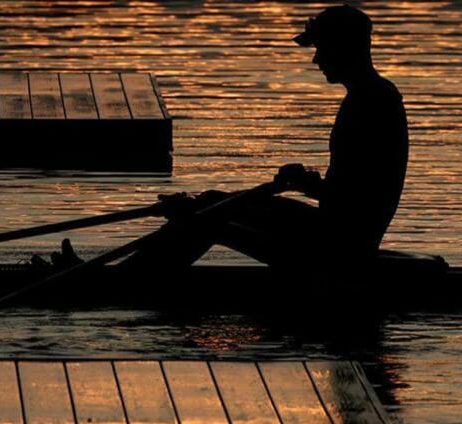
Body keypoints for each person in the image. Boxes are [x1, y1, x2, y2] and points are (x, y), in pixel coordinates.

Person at [125, 4, 409, 271]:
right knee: (211, 201)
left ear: (343, 48)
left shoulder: (372, 102)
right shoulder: (369, 96)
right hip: (331, 230)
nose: (316, 59)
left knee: (204, 220)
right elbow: (354, 192)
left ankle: (124, 283)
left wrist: (306, 185)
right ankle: (130, 275)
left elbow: (358, 200)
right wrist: (308, 184)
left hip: (340, 247)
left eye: (321, 48)